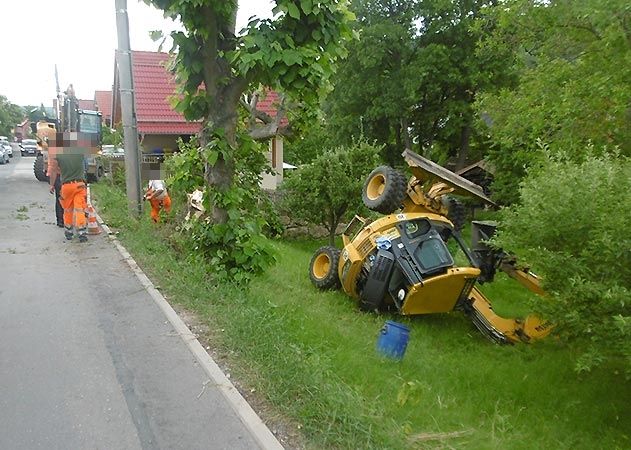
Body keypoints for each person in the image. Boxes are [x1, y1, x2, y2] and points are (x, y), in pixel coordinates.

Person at [48, 132, 89, 242]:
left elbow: (53, 171)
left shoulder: (58, 155)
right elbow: (86, 165)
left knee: (68, 209)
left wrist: (52, 185)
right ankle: (82, 232)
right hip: (80, 185)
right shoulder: (80, 152)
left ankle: (69, 231)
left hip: (66, 186)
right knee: (80, 208)